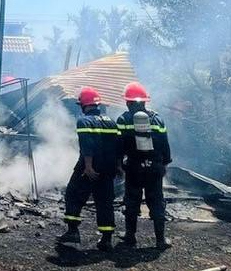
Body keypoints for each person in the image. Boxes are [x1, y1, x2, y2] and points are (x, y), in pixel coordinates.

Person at [58, 86, 121, 251]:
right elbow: (118, 147)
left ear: (84, 105)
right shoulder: (112, 123)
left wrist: (87, 166)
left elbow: (87, 145)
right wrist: (119, 166)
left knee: (73, 194)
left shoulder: (84, 121)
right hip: (108, 169)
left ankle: (73, 232)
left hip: (89, 168)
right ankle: (106, 239)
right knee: (105, 202)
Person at [116, 81, 172, 249]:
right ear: (145, 101)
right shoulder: (157, 119)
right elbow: (165, 145)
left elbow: (119, 145)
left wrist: (119, 165)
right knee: (156, 201)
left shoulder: (123, 119)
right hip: (154, 167)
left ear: (128, 102)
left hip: (133, 167)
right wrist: (164, 165)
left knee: (132, 201)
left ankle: (130, 237)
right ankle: (160, 240)